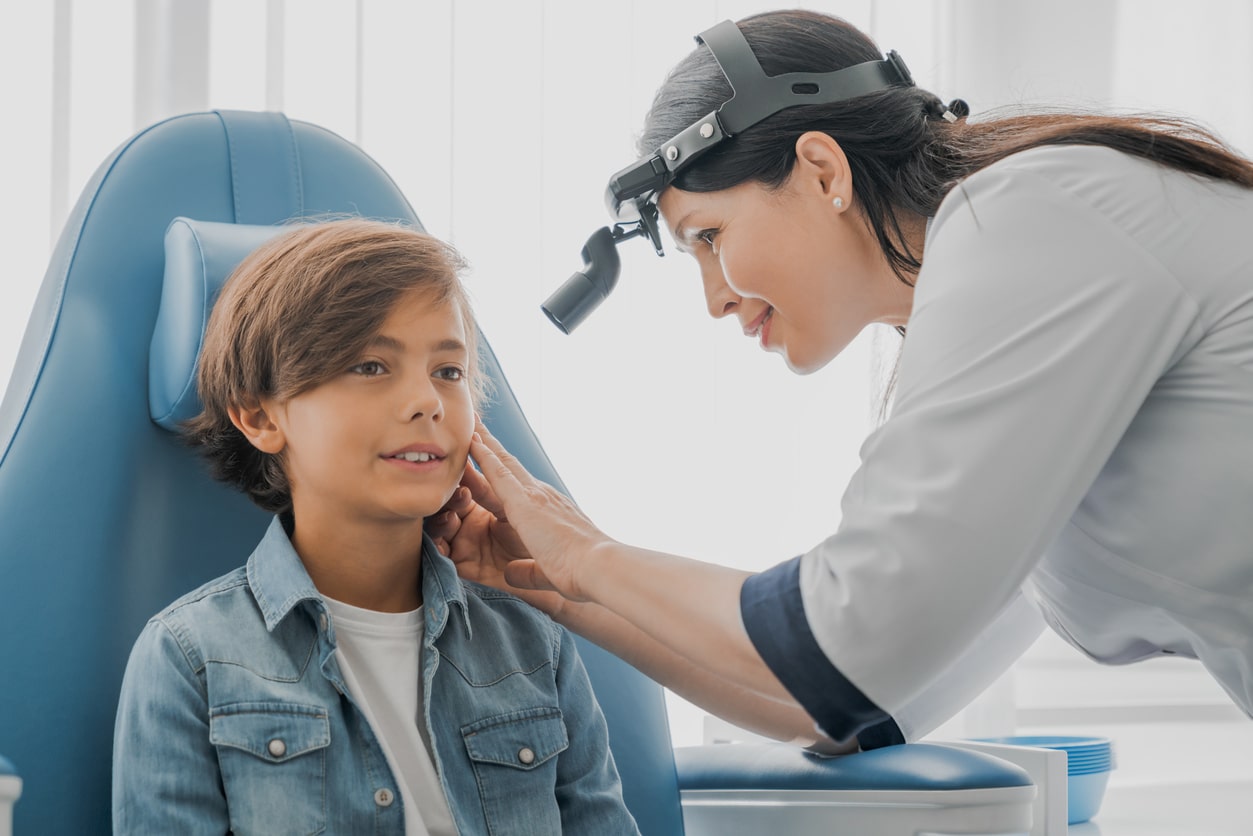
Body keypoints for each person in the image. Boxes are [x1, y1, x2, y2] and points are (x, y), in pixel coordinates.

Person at [430, 8, 1253, 756]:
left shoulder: (1031, 216)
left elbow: (846, 641)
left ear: (822, 170)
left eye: (709, 237)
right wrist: (558, 588)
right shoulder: (1028, 326)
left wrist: (585, 554)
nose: (714, 298)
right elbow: (847, 703)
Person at [112, 220, 640, 836]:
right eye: (369, 366)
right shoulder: (189, 658)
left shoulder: (533, 645)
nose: (427, 400)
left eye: (449, 371)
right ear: (259, 416)